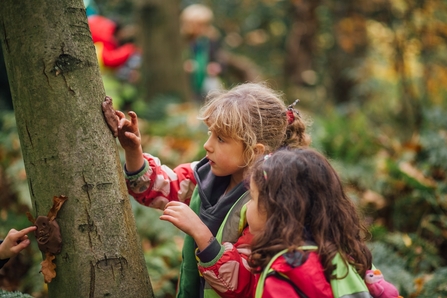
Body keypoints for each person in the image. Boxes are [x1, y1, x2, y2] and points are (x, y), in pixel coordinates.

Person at [115, 82, 311, 297]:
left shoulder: (266, 203)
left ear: (254, 151)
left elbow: (241, 282)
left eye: (220, 139)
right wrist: (134, 151)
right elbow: (157, 187)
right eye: (210, 133)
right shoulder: (205, 174)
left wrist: (199, 232)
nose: (207, 145)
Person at [180, 4, 224, 103]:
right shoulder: (184, 41)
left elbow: (220, 57)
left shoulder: (211, 39)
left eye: (203, 24)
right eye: (196, 24)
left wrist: (216, 66)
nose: (199, 27)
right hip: (189, 81)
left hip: (207, 77)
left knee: (214, 90)